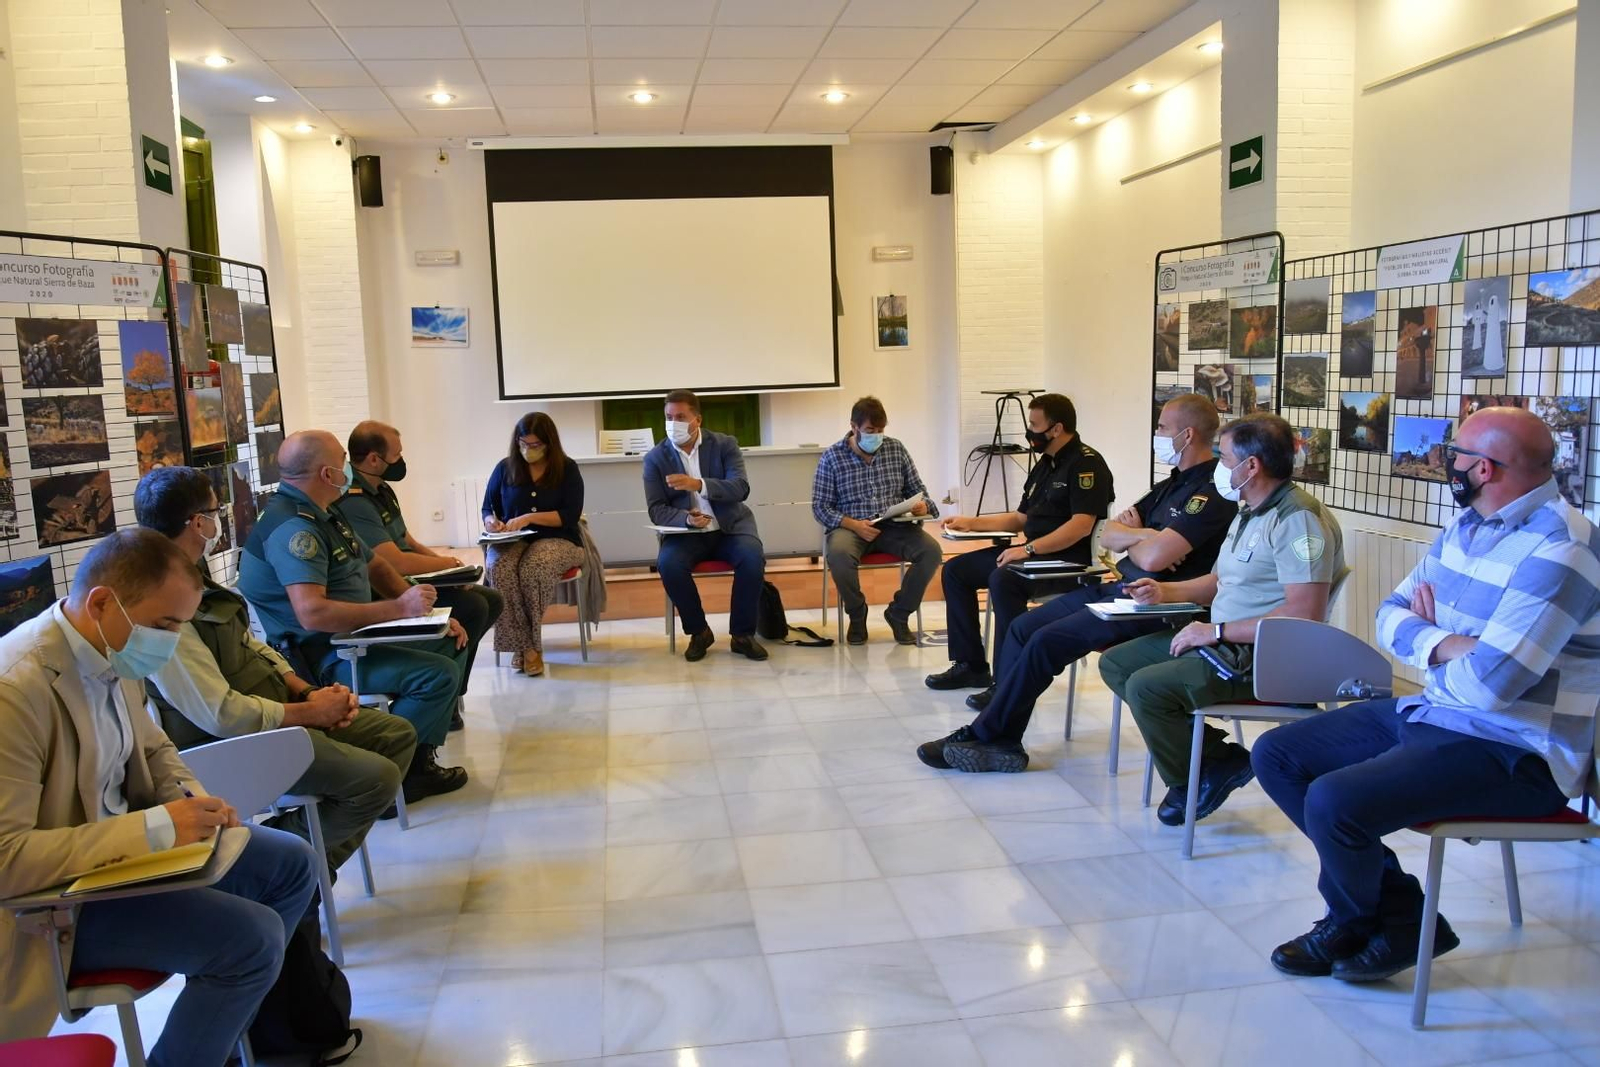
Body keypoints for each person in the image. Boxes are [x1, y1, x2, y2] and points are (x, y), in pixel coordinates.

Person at [1252, 406, 1598, 983]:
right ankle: (1398, 914)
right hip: (1438, 710)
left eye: (1455, 453)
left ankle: (1361, 918)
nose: (1446, 461)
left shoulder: (1562, 550)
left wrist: (1432, 642)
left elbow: (1491, 688)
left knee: (1338, 801)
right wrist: (1453, 643)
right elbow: (1387, 619)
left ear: (1484, 469)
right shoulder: (1469, 525)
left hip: (1518, 749)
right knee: (1279, 755)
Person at [0, 529, 317, 1064]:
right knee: (252, 940)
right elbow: (9, 860)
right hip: (54, 907)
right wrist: (158, 829)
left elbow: (153, 749)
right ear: (101, 602)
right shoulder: (16, 689)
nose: (169, 641)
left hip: (122, 861)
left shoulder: (112, 649)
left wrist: (194, 802)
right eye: (165, 624)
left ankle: (241, 1030)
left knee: (291, 864)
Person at [919, 393, 1237, 772]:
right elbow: (1109, 534)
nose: (1156, 433)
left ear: (1186, 435)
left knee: (1045, 640)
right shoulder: (1172, 483)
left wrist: (1140, 538)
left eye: (1162, 427)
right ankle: (997, 729)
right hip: (1121, 587)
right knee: (1023, 627)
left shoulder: (1211, 492)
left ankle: (992, 737)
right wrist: (1146, 537)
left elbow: (1148, 556)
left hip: (1159, 602)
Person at [137, 466, 417, 862]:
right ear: (198, 522)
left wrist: (304, 690)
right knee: (377, 780)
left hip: (278, 708)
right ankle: (280, 862)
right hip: (232, 744)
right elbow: (220, 714)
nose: (219, 521)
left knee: (397, 735)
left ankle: (312, 870)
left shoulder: (192, 571)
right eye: (216, 513)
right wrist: (309, 713)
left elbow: (248, 643)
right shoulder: (160, 600)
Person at [1097, 413, 1345, 828]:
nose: (1219, 469)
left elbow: (1305, 613)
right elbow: (1220, 581)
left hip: (1264, 656)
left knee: (1148, 688)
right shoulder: (1251, 510)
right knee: (1117, 663)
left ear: (1252, 467)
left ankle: (1189, 781)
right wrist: (1165, 592)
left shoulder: (1297, 520)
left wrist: (1214, 631)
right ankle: (1218, 759)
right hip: (1225, 641)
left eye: (1225, 459)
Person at [238, 429, 470, 802]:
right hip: (323, 656)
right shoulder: (295, 528)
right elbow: (312, 613)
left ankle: (416, 763)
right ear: (327, 475)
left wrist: (429, 614)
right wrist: (399, 609)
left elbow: (376, 565)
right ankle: (382, 777)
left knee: (451, 641)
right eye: (342, 461)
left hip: (359, 636)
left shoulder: (323, 513)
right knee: (437, 675)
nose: (349, 468)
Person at [926, 393, 1113, 692]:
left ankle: (1008, 682)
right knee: (956, 571)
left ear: (1056, 428)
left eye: (1034, 424)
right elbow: (1020, 519)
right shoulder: (1045, 464)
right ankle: (970, 666)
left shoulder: (1087, 465)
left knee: (1004, 580)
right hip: (1033, 554)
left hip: (1066, 561)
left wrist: (1026, 549)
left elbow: (1080, 526)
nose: (1029, 431)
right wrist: (971, 522)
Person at [339, 420, 504, 698]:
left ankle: (452, 687)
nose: (402, 461)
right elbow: (395, 561)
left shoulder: (382, 489)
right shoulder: (355, 500)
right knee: (473, 606)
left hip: (411, 580)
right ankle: (444, 692)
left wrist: (453, 571)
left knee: (492, 599)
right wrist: (447, 566)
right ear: (374, 459)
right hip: (388, 590)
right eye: (397, 455)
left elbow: (408, 541)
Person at [644, 389, 768, 662]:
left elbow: (740, 488)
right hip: (687, 534)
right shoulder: (655, 458)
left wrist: (698, 485)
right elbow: (656, 510)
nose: (672, 423)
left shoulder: (725, 445)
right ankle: (699, 632)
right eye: (668, 417)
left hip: (730, 527)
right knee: (669, 564)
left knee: (751, 557)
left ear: (697, 419)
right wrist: (686, 519)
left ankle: (742, 635)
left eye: (680, 417)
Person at [811, 396, 942, 645]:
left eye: (881, 430)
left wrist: (923, 505)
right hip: (851, 527)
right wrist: (854, 525)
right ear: (854, 426)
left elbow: (919, 490)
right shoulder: (832, 457)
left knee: (931, 551)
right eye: (870, 430)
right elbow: (820, 508)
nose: (877, 435)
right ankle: (857, 615)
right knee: (838, 554)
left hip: (894, 526)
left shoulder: (896, 449)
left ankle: (899, 614)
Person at [480, 412, 586, 676]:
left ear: (549, 443)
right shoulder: (505, 468)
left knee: (534, 568)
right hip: (513, 540)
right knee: (499, 567)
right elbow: (487, 508)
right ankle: (528, 647)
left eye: (535, 445)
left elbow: (569, 515)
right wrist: (492, 521)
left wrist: (529, 517)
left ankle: (525, 647)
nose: (528, 450)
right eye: (523, 443)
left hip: (558, 539)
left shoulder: (567, 468)